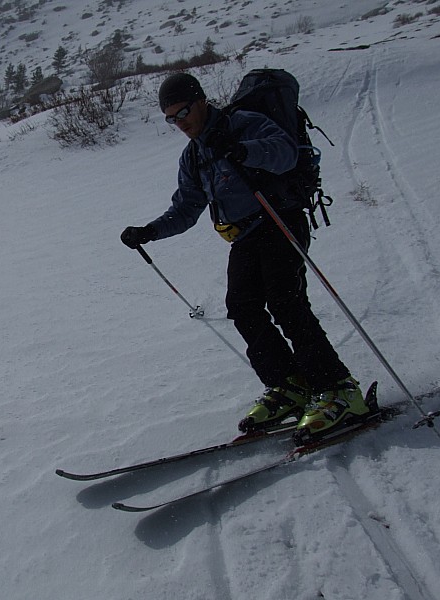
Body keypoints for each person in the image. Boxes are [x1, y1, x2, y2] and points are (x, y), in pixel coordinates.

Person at [120, 72, 369, 438]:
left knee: (285, 302)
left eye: (183, 111)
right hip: (246, 236)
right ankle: (290, 385)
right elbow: (187, 208)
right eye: (171, 118)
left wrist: (243, 150)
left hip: (279, 220)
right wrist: (151, 231)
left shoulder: (243, 124)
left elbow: (284, 154)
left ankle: (339, 389)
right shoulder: (193, 156)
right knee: (242, 306)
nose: (180, 122)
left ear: (201, 100)